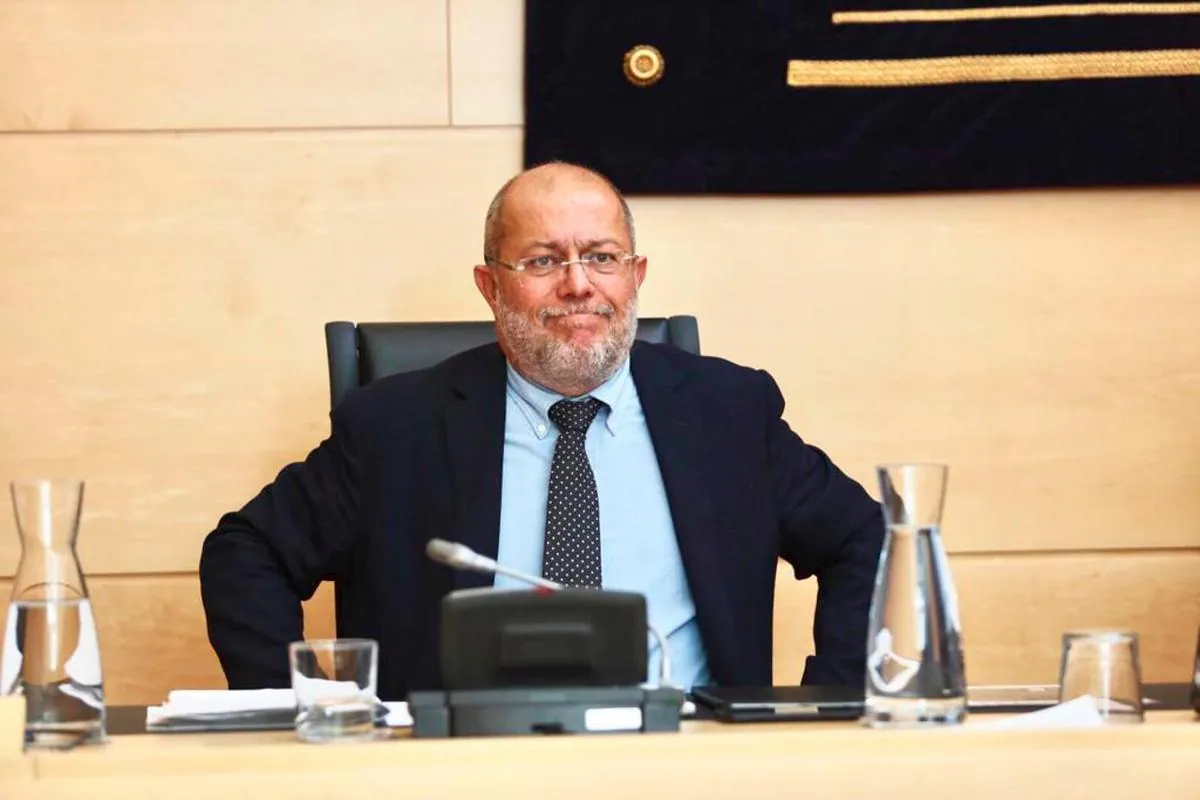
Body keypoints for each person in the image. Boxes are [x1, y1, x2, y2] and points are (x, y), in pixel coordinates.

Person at [199, 161, 884, 698]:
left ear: (635, 277)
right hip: (464, 772)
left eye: (602, 257)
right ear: (490, 287)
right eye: (542, 261)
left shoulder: (728, 413)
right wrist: (305, 705)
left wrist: (826, 702)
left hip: (680, 763)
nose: (578, 284)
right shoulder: (394, 427)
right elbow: (245, 551)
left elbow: (867, 537)